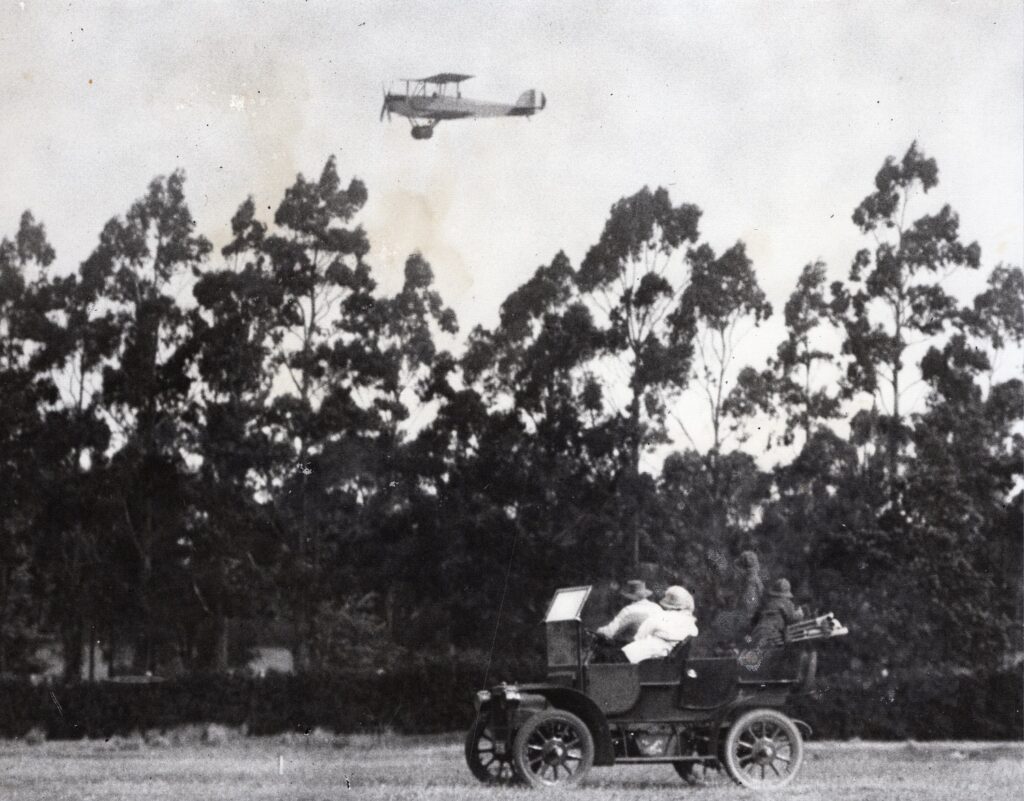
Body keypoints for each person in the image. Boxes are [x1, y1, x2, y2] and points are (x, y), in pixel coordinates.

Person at [622, 586, 699, 664]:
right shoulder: (691, 625)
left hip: (638, 656)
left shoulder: (659, 617)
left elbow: (639, 636)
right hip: (667, 659)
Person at [595, 580, 660, 643]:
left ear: (628, 597)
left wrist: (598, 630)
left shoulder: (629, 610)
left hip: (632, 649)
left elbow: (608, 633)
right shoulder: (657, 608)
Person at [749, 578, 804, 646]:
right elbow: (791, 618)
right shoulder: (786, 603)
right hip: (774, 634)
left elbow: (754, 619)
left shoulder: (767, 602)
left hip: (758, 632)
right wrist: (800, 613)